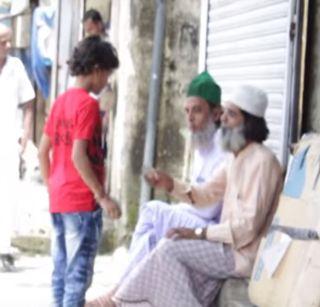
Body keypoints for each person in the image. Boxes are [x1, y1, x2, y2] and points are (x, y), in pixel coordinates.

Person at [106, 85, 283, 307]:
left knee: (168, 248)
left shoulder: (263, 161)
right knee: (168, 249)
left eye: (232, 114)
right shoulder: (235, 157)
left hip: (241, 256)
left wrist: (198, 233)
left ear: (249, 122)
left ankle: (118, 299)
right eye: (224, 112)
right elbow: (206, 194)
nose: (224, 119)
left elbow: (247, 228)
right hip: (224, 247)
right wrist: (171, 184)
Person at [86, 71, 226, 306]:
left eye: (198, 110)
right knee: (151, 235)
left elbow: (210, 209)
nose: (190, 118)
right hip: (198, 219)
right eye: (187, 111)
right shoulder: (203, 143)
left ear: (217, 113)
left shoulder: (224, 148)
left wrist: (175, 198)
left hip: (214, 231)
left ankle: (117, 293)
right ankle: (123, 293)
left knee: (154, 211)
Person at [38, 35, 121, 307]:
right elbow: (78, 155)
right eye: (107, 73)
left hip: (60, 199)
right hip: (81, 202)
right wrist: (102, 196)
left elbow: (42, 150)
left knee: (61, 274)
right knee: (77, 277)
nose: (107, 81)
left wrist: (53, 187)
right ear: (97, 69)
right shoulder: (88, 105)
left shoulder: (61, 101)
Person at [0, 23, 35, 270]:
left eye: (9, 40)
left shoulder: (15, 67)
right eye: (3, 41)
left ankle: (3, 248)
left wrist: (26, 133)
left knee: (6, 193)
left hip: (8, 138)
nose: (8, 46)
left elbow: (29, 102)